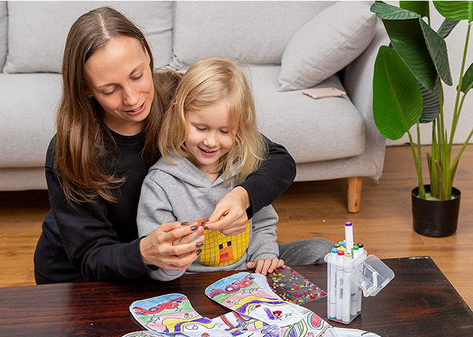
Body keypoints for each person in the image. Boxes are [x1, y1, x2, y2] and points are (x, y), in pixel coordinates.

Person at [33, 7, 300, 284]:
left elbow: (277, 158)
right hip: (82, 277)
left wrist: (243, 198)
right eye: (110, 90)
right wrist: (144, 252)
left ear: (147, 55)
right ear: (86, 88)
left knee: (316, 251)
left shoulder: (177, 98)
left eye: (137, 76)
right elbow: (90, 255)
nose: (133, 99)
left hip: (165, 268)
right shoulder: (72, 149)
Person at [138, 58, 333, 281]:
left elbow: (262, 221)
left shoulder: (244, 163)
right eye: (201, 128)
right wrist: (173, 260)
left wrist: (264, 255)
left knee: (323, 249)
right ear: (179, 116)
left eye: (224, 131)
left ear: (239, 127)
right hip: (190, 283)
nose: (211, 142)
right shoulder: (159, 184)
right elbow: (159, 268)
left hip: (249, 273)